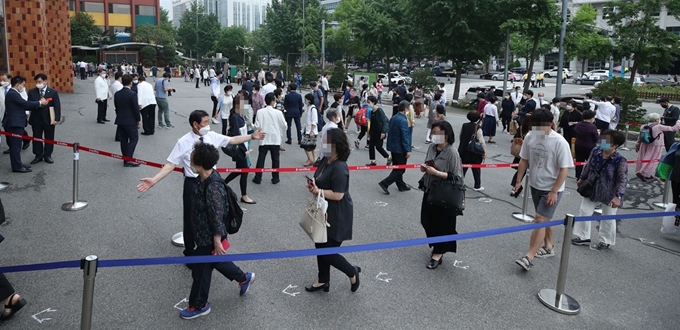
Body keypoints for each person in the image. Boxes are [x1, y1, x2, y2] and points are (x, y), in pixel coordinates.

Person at [136, 110, 265, 258]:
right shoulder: (183, 141)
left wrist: (252, 137)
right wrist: (154, 180)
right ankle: (190, 253)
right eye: (205, 123)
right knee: (191, 219)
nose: (208, 125)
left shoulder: (212, 136)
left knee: (216, 215)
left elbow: (232, 140)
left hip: (212, 182)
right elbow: (171, 164)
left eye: (208, 122)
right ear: (195, 124)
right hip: (192, 184)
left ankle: (214, 247)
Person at [179, 142, 254, 320]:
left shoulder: (213, 187)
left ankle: (199, 304)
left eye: (192, 156)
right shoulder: (203, 177)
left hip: (210, 236)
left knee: (200, 270)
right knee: (216, 262)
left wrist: (217, 240)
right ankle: (244, 277)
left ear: (199, 163)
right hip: (204, 233)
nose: (189, 158)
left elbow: (217, 215)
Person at [514, 109, 574, 271]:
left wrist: (554, 191)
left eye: (542, 126)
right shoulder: (530, 136)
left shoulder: (560, 142)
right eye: (536, 126)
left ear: (550, 123)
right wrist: (518, 181)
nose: (539, 130)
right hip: (535, 184)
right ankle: (548, 246)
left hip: (552, 188)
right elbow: (524, 160)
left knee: (540, 219)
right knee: (545, 219)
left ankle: (529, 257)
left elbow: (564, 169)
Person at [304, 128, 360, 293]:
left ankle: (352, 271)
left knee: (328, 252)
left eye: (326, 142)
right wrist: (314, 186)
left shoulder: (340, 167)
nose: (323, 144)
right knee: (320, 245)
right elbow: (320, 181)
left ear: (335, 145)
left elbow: (338, 195)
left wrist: (318, 191)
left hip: (337, 214)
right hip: (323, 210)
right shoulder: (325, 160)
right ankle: (323, 280)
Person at [572, 130, 628, 250]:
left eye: (607, 141)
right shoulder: (596, 151)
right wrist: (582, 178)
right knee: (584, 210)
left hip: (610, 191)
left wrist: (618, 196)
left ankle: (605, 240)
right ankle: (583, 236)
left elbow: (622, 179)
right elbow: (588, 166)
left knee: (608, 215)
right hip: (592, 187)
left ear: (615, 145)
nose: (602, 142)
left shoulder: (620, 159)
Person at [419, 120, 464, 269]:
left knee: (442, 224)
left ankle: (438, 252)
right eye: (433, 132)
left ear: (447, 134)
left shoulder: (452, 152)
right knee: (426, 220)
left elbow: (457, 177)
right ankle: (437, 244)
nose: (435, 135)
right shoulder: (432, 147)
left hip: (444, 193)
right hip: (429, 189)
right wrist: (425, 169)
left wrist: (437, 172)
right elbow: (429, 163)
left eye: (438, 133)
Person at [2, 76, 47, 173]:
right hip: (14, 124)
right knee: (15, 146)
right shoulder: (13, 94)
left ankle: (19, 164)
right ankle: (17, 166)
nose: (23, 86)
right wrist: (40, 102)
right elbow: (25, 104)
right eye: (22, 84)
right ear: (17, 84)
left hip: (17, 122)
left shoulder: (14, 93)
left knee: (17, 146)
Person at [224, 95, 256, 204]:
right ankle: (244, 195)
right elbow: (236, 135)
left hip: (243, 146)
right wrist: (244, 149)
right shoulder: (235, 117)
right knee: (244, 171)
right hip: (240, 148)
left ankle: (222, 183)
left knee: (239, 170)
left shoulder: (239, 116)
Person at [252, 93, 287, 185]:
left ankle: (258, 178)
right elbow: (284, 125)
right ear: (272, 101)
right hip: (275, 138)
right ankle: (275, 178)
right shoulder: (278, 113)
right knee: (275, 159)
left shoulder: (260, 112)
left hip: (263, 137)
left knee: (261, 158)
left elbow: (257, 126)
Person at [378, 100, 412, 194]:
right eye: (408, 108)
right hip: (400, 148)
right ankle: (385, 183)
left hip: (393, 146)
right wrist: (407, 149)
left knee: (397, 167)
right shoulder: (403, 120)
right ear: (405, 109)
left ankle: (401, 185)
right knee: (400, 169)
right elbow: (405, 136)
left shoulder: (394, 117)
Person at [635, 113, 680, 181]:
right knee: (652, 159)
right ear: (656, 120)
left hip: (644, 144)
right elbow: (673, 129)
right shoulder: (659, 126)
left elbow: (639, 137)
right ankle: (645, 173)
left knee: (643, 158)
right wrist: (678, 121)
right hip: (655, 145)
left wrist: (637, 145)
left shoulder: (643, 126)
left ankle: (639, 171)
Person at [27, 73, 60, 165]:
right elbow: (29, 104)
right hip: (36, 118)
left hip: (49, 118)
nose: (38, 83)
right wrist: (39, 104)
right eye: (36, 82)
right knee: (36, 137)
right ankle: (38, 155)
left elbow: (57, 106)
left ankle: (47, 155)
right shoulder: (32, 92)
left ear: (45, 81)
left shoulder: (52, 92)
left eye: (40, 82)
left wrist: (57, 118)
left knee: (49, 137)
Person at [114, 74, 141, 167]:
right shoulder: (132, 94)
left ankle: (125, 158)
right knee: (134, 138)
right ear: (131, 83)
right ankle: (128, 159)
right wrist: (138, 119)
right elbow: (135, 109)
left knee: (124, 139)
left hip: (120, 119)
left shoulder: (117, 94)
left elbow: (116, 107)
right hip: (130, 120)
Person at [459, 110, 487, 192]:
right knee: (476, 169)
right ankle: (477, 185)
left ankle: (459, 183)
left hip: (464, 149)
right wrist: (484, 151)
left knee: (463, 168)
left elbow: (461, 136)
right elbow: (481, 140)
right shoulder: (477, 127)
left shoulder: (464, 125)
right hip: (474, 151)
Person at [573, 110, 599, 179]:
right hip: (589, 147)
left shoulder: (578, 124)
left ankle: (578, 176)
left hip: (578, 145)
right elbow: (596, 138)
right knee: (590, 162)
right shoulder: (592, 127)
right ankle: (588, 176)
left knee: (579, 161)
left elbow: (575, 133)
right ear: (591, 118)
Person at [366, 95, 390, 166]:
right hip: (373, 131)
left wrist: (383, 132)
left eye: (369, 102)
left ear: (373, 102)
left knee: (378, 147)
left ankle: (388, 157)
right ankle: (373, 161)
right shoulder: (371, 112)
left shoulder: (379, 110)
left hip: (379, 131)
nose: (368, 103)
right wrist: (368, 132)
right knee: (371, 145)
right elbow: (371, 122)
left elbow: (384, 122)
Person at [302, 93, 318, 166]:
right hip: (307, 129)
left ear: (309, 100)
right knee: (311, 146)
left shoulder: (313, 108)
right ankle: (313, 159)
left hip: (311, 131)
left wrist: (312, 131)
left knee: (307, 146)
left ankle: (311, 159)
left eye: (306, 99)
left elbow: (314, 121)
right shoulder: (308, 107)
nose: (305, 100)